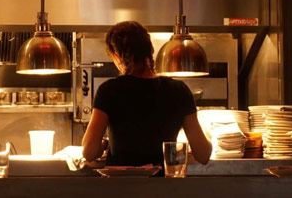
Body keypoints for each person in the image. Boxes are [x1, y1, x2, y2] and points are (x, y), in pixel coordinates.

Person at [81, 21, 212, 166]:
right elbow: (203, 154)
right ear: (150, 51)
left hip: (120, 184)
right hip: (163, 185)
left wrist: (104, 146)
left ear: (117, 56)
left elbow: (89, 152)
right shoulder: (179, 91)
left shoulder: (108, 90)